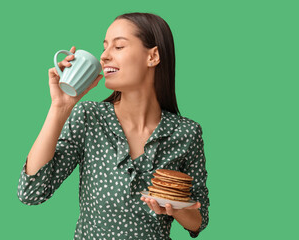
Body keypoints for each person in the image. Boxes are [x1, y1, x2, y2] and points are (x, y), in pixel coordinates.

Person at [17, 12, 209, 239]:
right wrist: (60, 107)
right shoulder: (90, 117)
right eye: (105, 47)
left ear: (153, 56)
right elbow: (31, 192)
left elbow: (199, 219)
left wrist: (176, 209)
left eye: (118, 47)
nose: (104, 56)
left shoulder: (186, 132)